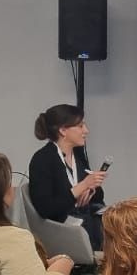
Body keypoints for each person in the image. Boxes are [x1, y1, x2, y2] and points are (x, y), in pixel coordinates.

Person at [29, 103, 106, 248]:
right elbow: (46, 209)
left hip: (84, 216)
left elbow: (98, 197)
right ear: (63, 130)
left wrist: (91, 190)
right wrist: (82, 186)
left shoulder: (78, 154)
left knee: (120, 217)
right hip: (62, 226)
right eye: (81, 126)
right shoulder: (42, 159)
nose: (86, 131)